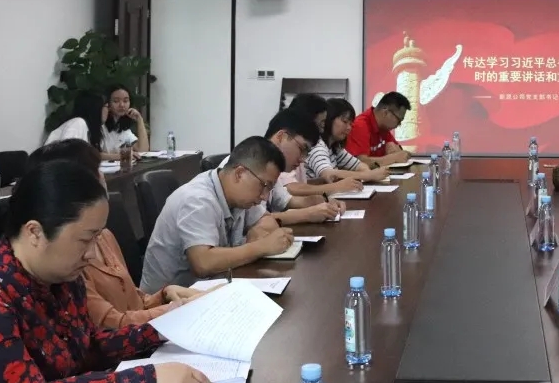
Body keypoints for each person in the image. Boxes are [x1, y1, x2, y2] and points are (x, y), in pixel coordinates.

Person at [0, 156, 213, 383]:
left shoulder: (62, 277)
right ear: (35, 232)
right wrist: (146, 381)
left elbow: (86, 348)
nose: (91, 254)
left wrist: (165, 328)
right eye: (85, 239)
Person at [27, 139, 204, 329]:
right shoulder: (68, 261)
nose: (102, 177)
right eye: (96, 172)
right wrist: (178, 309)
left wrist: (165, 295)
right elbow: (110, 325)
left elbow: (133, 299)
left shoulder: (104, 236)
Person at [140, 136, 296, 293]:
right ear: (239, 174)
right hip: (167, 301)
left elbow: (267, 221)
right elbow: (203, 263)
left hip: (209, 289)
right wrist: (261, 247)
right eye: (265, 186)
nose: (265, 196)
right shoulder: (197, 199)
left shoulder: (240, 195)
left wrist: (256, 231)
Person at [221, 109, 345, 226]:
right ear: (281, 137)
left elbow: (286, 201)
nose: (303, 159)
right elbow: (258, 221)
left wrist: (322, 201)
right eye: (302, 149)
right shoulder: (250, 166)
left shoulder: (272, 167)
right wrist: (307, 214)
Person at [305, 98, 391, 184]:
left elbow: (359, 165)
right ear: (329, 119)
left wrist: (369, 174)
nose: (349, 128)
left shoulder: (335, 147)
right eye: (345, 121)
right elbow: (329, 174)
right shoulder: (317, 146)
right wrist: (368, 175)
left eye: (350, 124)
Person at [46, 91, 123, 162]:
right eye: (106, 107)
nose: (108, 111)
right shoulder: (78, 123)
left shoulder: (92, 129)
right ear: (96, 108)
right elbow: (67, 156)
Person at [345, 91, 412, 168]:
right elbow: (360, 163)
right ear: (385, 112)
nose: (399, 125)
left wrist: (398, 151)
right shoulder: (360, 126)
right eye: (398, 120)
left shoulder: (384, 128)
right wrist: (393, 158)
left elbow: (401, 154)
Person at [105, 84, 150, 154]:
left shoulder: (123, 129)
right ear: (107, 104)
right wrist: (121, 156)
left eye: (125, 101)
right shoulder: (101, 126)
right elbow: (96, 154)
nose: (122, 105)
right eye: (116, 101)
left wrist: (139, 119)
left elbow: (143, 150)